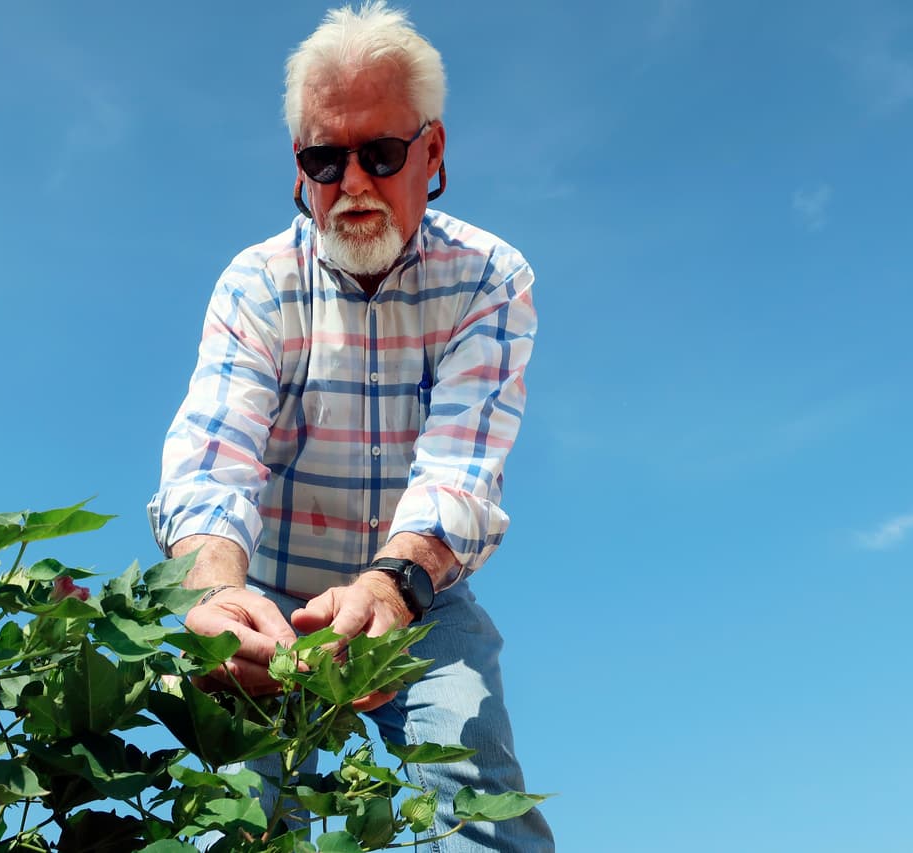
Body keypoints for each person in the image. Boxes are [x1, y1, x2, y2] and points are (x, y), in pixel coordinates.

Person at [148, 3, 554, 850]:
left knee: (473, 783)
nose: (355, 184)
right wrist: (217, 591)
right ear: (299, 168)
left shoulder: (488, 277)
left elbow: (459, 472)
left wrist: (389, 588)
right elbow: (212, 461)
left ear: (432, 152)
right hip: (260, 595)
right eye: (327, 159)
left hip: (417, 591)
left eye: (382, 153)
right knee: (248, 811)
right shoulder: (255, 284)